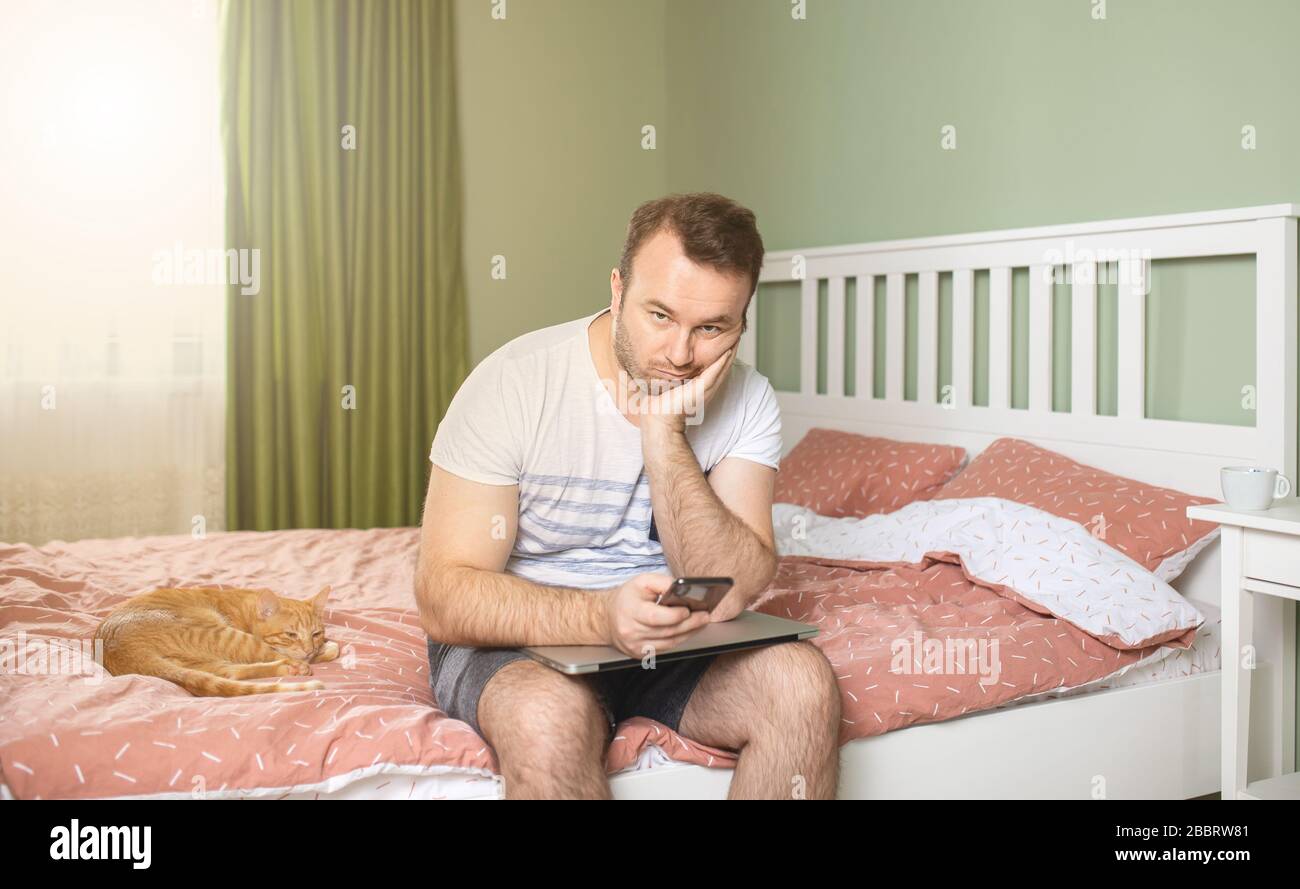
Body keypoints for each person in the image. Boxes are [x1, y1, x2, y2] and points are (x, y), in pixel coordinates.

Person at [415, 192, 840, 799]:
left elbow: (732, 586)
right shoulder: (513, 383)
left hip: (669, 645)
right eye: (659, 315)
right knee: (546, 718)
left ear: (742, 325)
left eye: (711, 328)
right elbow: (445, 596)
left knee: (802, 683)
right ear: (616, 291)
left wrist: (663, 434)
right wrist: (598, 616)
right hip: (518, 644)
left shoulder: (749, 401)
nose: (680, 355)